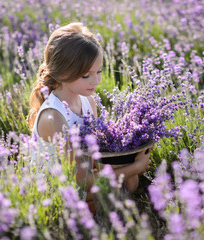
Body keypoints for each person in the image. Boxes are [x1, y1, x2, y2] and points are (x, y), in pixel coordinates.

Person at [27, 22, 152, 213]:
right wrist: (136, 167)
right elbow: (83, 180)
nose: (96, 81)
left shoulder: (88, 102)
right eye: (86, 75)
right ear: (62, 73)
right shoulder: (54, 117)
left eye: (99, 72)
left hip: (81, 176)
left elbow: (93, 157)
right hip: (58, 191)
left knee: (130, 183)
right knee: (123, 186)